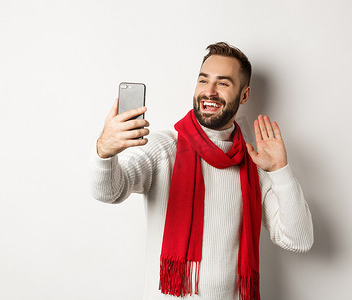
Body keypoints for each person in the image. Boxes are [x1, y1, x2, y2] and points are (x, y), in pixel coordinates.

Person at [89, 42, 314, 300]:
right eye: (203, 80)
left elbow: (299, 240)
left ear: (244, 95)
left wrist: (279, 171)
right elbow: (109, 192)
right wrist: (104, 152)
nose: (209, 92)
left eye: (223, 83)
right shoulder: (164, 148)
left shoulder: (254, 162)